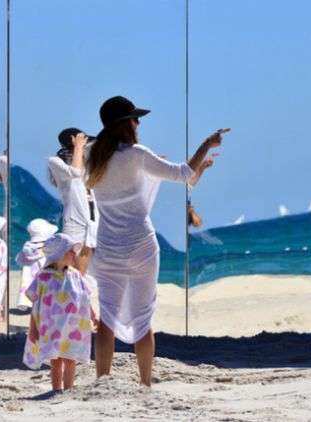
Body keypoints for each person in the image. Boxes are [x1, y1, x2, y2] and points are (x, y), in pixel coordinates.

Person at [86, 95, 228, 386]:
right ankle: (145, 383)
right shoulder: (136, 154)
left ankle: (103, 381)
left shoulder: (92, 156)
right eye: (135, 119)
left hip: (109, 249)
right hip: (140, 246)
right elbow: (185, 173)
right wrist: (207, 143)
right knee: (143, 318)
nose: (138, 123)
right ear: (126, 124)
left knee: (107, 319)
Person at [22, 233, 97, 391]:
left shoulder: (75, 275)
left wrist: (93, 315)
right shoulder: (43, 277)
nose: (74, 255)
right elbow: (35, 305)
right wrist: (33, 329)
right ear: (59, 253)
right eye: (71, 251)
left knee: (70, 358)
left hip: (73, 326)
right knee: (55, 360)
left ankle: (68, 390)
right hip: (52, 327)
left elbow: (85, 297)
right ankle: (56, 390)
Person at [48, 128, 99, 275]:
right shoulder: (55, 162)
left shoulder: (87, 164)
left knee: (87, 274)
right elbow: (75, 172)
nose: (86, 145)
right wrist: (78, 147)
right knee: (73, 273)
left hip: (93, 223)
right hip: (75, 224)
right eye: (83, 142)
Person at [15, 218, 58, 309]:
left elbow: (19, 260)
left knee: (28, 282)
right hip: (44, 271)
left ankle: (25, 302)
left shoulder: (27, 247)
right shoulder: (48, 247)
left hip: (30, 272)